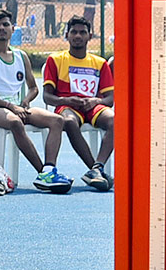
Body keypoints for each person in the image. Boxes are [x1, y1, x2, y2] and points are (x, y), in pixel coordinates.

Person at [0, 9, 72, 193]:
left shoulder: (21, 56)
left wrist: (25, 102)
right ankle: (43, 173)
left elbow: (33, 87)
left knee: (57, 120)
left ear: (12, 29)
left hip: (18, 107)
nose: (1, 28)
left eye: (5, 24)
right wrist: (10, 106)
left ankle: (49, 168)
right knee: (15, 122)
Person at [43, 14, 114, 191]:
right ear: (66, 35)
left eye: (82, 32)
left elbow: (110, 99)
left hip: (93, 106)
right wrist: (65, 100)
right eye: (73, 32)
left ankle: (98, 167)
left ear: (90, 36)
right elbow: (47, 96)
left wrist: (96, 100)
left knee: (116, 121)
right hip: (67, 106)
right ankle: (94, 170)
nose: (77, 36)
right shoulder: (55, 60)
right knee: (68, 121)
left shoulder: (100, 63)